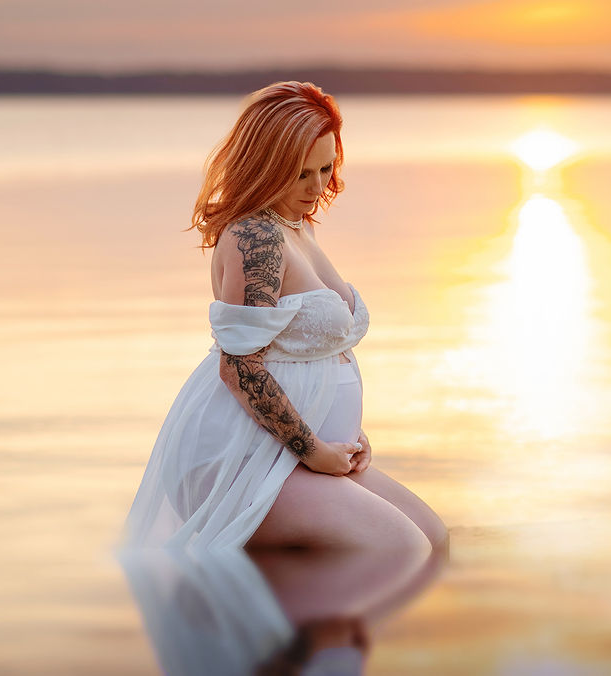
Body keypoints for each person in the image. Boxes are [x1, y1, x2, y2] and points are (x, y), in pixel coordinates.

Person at [121, 80, 447, 551]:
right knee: (402, 548)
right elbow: (239, 367)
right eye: (300, 174)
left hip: (298, 451)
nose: (317, 188)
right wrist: (315, 450)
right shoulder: (257, 236)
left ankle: (319, 619)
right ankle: (304, 622)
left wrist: (350, 436)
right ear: (267, 165)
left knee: (434, 541)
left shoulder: (297, 224)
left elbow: (304, 355)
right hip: (240, 457)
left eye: (326, 168)